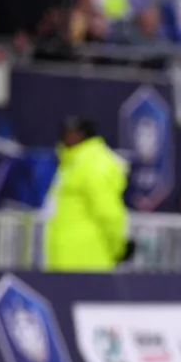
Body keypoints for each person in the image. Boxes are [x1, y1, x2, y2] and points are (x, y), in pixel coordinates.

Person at [44, 116, 130, 272]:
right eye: (66, 133)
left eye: (75, 133)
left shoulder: (94, 163)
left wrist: (119, 248)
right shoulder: (72, 163)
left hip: (88, 260)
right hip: (64, 258)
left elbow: (109, 213)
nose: (69, 137)